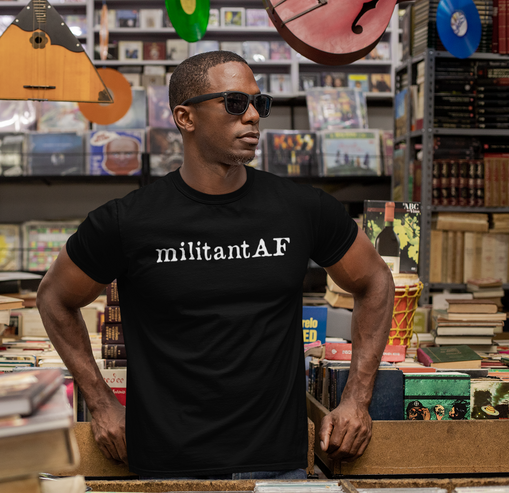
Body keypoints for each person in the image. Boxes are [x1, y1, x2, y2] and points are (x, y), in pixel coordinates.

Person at [37, 51, 394, 479]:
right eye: (234, 103)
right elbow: (54, 298)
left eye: (258, 103)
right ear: (185, 117)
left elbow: (375, 280)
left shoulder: (301, 208)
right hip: (166, 469)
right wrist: (100, 403)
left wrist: (356, 398)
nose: (253, 116)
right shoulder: (127, 220)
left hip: (275, 466)